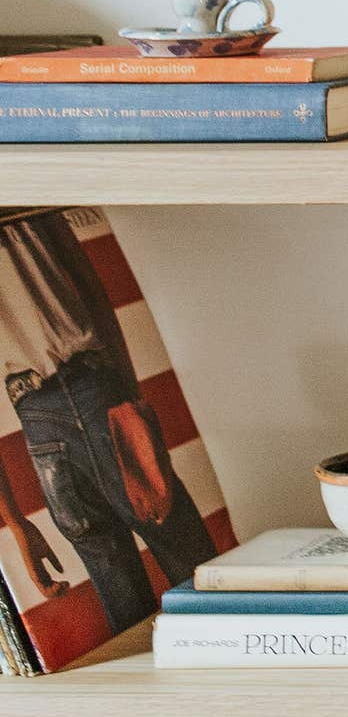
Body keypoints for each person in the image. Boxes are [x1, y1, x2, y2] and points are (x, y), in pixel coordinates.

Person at [0, 210, 218, 634]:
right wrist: (128, 397)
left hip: (37, 423)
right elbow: (95, 298)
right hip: (94, 389)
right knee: (203, 584)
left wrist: (17, 523)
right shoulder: (30, 195)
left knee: (128, 614)